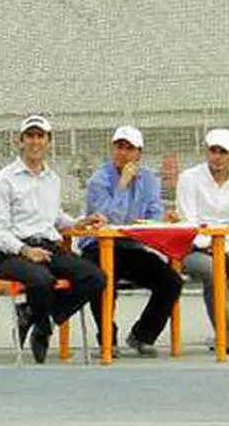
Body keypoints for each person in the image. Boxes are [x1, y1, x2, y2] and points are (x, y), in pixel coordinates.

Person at [0, 115, 107, 363]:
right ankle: (40, 322)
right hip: (12, 254)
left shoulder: (53, 179)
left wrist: (77, 223)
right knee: (42, 280)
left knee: (96, 277)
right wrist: (25, 250)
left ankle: (41, 319)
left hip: (48, 248)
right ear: (20, 141)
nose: (35, 141)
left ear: (49, 141)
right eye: (30, 135)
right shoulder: (3, 180)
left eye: (41, 136)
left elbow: (53, 217)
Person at [77, 125, 182, 357]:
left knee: (171, 282)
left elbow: (153, 214)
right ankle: (107, 339)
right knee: (102, 279)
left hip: (131, 246)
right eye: (119, 146)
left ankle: (142, 335)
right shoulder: (98, 180)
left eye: (129, 148)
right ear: (112, 149)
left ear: (139, 153)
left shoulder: (149, 180)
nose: (123, 152)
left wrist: (163, 219)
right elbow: (107, 220)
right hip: (99, 245)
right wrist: (123, 184)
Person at [176, 128, 229, 354]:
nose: (217, 157)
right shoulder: (189, 178)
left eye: (223, 152)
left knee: (223, 265)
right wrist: (225, 261)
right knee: (214, 271)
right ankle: (227, 338)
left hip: (228, 248)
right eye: (213, 150)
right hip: (192, 249)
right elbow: (190, 226)